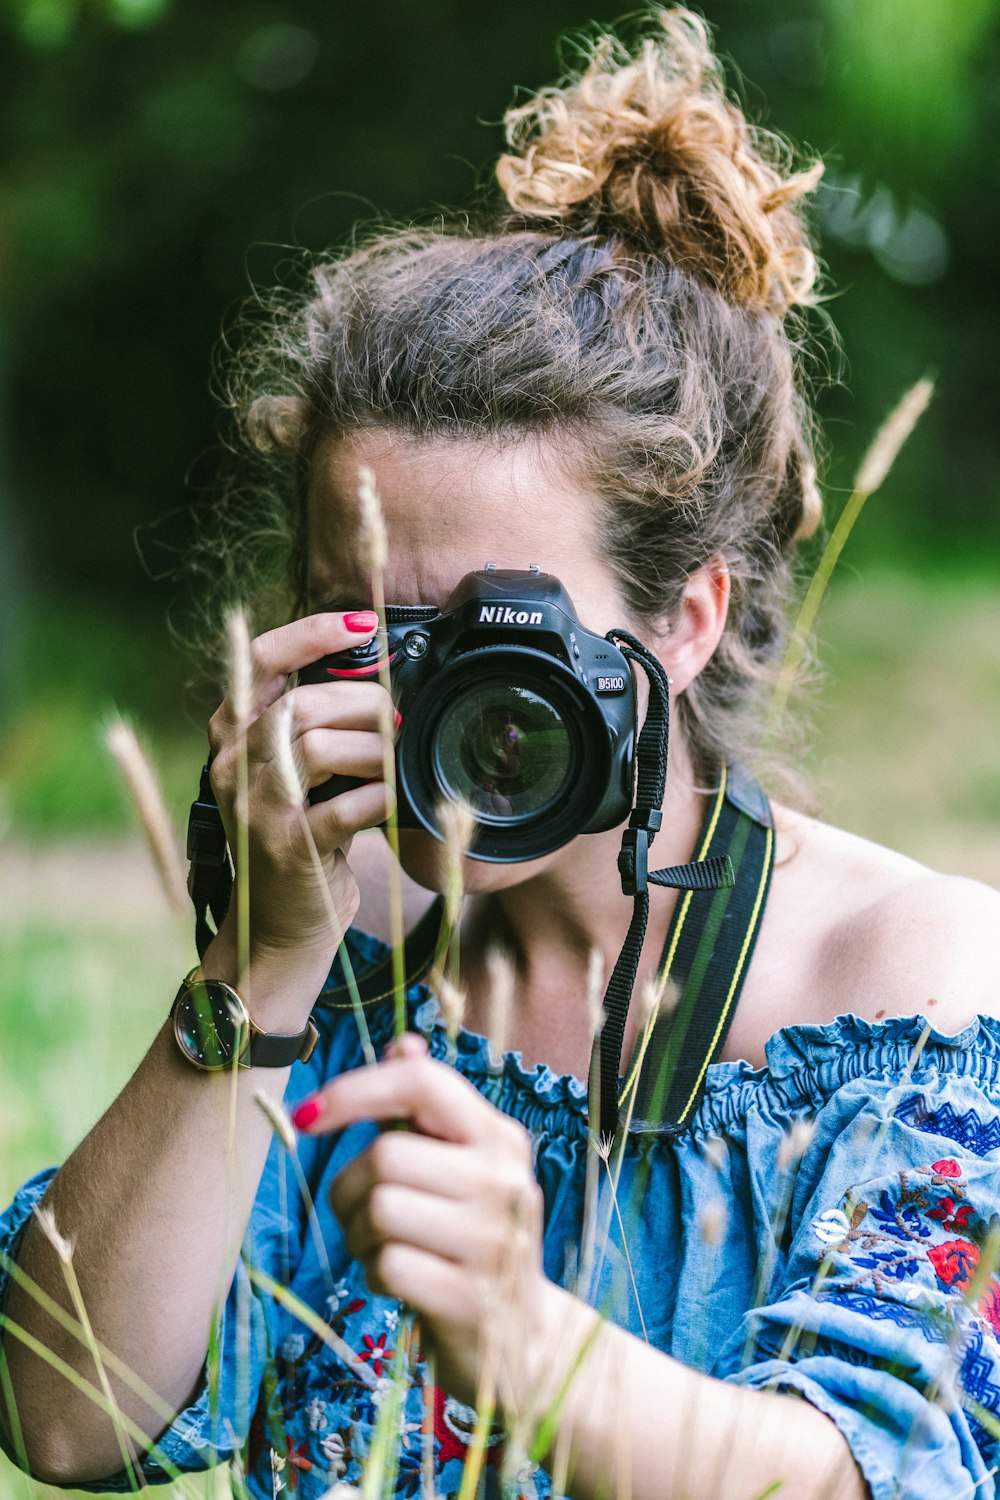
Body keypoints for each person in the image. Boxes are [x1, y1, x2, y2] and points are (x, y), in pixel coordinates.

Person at [3, 9, 999, 1499]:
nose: (448, 696)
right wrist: (257, 967)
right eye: (374, 626)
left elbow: (880, 1470)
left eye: (504, 629)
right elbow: (69, 1416)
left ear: (688, 618)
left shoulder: (911, 982)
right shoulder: (344, 971)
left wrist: (524, 1339)